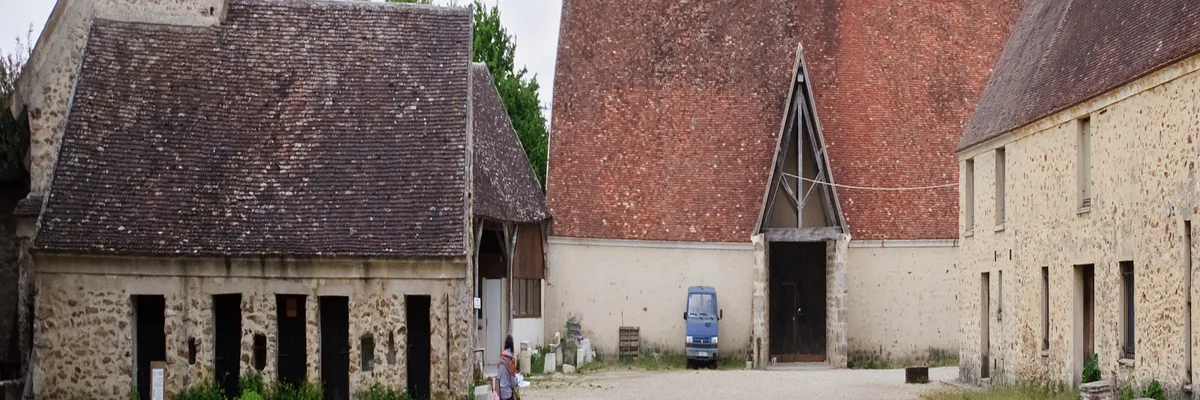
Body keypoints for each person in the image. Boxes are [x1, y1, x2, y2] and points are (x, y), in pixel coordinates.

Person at [497, 335, 519, 400]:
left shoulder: (501, 359)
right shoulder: (511, 361)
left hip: (500, 393)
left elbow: (498, 377)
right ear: (512, 346)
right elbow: (513, 384)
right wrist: (517, 381)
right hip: (508, 394)